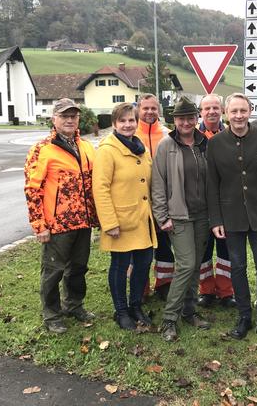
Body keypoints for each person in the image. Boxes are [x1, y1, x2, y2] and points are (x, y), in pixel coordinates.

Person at [207, 93, 257, 348]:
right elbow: (212, 185)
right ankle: (244, 317)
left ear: (250, 110)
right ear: (226, 114)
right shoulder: (216, 143)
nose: (239, 116)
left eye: (243, 111)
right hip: (231, 219)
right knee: (237, 268)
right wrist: (216, 219)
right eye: (234, 112)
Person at [24, 98, 98, 334]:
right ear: (54, 119)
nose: (69, 120)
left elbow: (93, 185)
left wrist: (95, 217)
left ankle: (74, 305)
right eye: (64, 116)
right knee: (53, 271)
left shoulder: (86, 147)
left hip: (83, 222)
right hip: (56, 225)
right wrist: (39, 225)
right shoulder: (42, 149)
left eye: (73, 116)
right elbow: (32, 189)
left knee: (78, 268)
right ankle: (52, 314)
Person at [93, 103, 158, 330]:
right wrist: (109, 222)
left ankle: (136, 305)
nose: (128, 124)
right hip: (120, 221)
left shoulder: (140, 148)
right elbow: (100, 188)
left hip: (143, 219)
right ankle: (121, 311)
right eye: (123, 121)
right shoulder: (107, 150)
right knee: (120, 267)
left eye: (131, 120)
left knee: (142, 264)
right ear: (114, 124)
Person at [152, 97, 211, 341]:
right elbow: (158, 182)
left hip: (203, 216)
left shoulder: (205, 143)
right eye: (181, 118)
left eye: (190, 117)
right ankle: (169, 318)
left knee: (196, 264)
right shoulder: (166, 146)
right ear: (174, 120)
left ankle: (189, 310)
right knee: (186, 264)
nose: (186, 122)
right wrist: (162, 216)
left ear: (197, 118)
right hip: (179, 216)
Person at [196, 94, 236, 308]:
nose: (211, 111)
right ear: (200, 112)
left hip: (226, 203)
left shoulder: (230, 134)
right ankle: (206, 290)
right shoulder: (192, 136)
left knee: (226, 250)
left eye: (215, 107)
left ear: (222, 110)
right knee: (203, 249)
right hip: (201, 203)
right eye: (207, 108)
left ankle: (226, 291)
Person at [135, 94, 173, 299]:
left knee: (164, 245)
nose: (149, 112)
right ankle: (140, 287)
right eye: (145, 108)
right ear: (138, 109)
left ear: (158, 110)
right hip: (138, 201)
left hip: (163, 200)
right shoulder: (131, 133)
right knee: (140, 246)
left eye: (153, 108)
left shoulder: (168, 135)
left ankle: (164, 284)